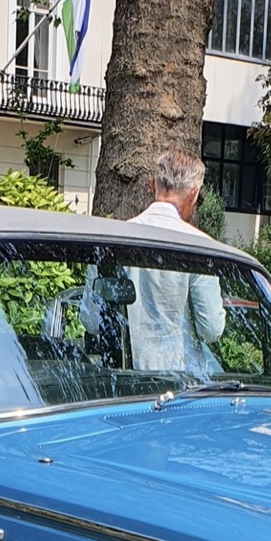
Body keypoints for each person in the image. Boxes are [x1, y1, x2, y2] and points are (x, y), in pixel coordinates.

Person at [82, 150, 225, 375]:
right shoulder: (200, 246)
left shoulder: (110, 242)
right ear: (194, 194)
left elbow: (91, 321)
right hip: (180, 383)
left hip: (120, 379)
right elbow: (211, 330)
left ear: (152, 185)